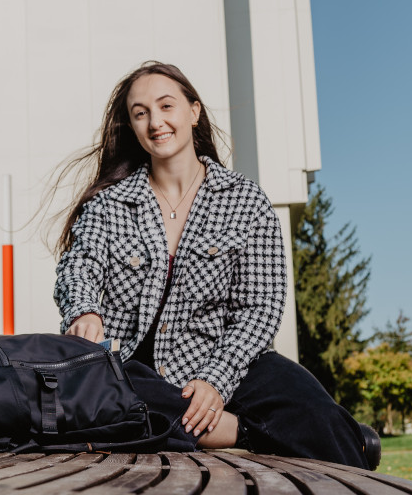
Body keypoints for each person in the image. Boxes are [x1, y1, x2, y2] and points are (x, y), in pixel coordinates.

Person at [52, 61, 380, 469]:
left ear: (193, 111)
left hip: (228, 358)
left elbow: (260, 308)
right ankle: (246, 432)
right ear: (133, 127)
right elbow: (78, 265)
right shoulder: (109, 205)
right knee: (113, 404)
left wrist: (215, 380)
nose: (156, 121)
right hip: (136, 370)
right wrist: (83, 308)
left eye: (166, 106)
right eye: (141, 113)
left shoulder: (246, 201)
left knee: (315, 411)